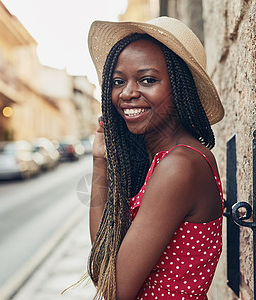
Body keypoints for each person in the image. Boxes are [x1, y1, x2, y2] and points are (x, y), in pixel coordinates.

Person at [87, 16, 225, 300]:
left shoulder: (179, 166)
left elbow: (113, 289)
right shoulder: (162, 161)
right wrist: (100, 160)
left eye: (147, 80)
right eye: (117, 81)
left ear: (180, 86)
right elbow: (104, 264)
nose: (127, 93)